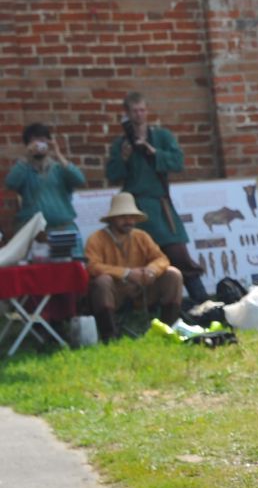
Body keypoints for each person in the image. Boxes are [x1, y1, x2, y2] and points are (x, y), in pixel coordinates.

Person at [107, 93, 207, 305]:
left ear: (147, 111)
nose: (139, 114)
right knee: (139, 257)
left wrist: (153, 152)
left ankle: (201, 300)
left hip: (160, 205)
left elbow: (177, 162)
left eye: (142, 110)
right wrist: (123, 158)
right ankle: (151, 306)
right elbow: (113, 174)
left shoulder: (161, 136)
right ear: (127, 113)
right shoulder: (122, 143)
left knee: (178, 253)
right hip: (134, 208)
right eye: (134, 111)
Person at [83, 191, 184, 340]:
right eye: (123, 217)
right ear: (112, 219)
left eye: (131, 217)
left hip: (142, 290)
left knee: (173, 274)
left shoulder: (141, 236)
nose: (128, 221)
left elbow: (161, 259)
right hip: (114, 293)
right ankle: (110, 335)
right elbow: (92, 266)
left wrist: (151, 271)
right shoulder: (96, 239)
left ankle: (168, 329)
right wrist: (126, 273)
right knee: (102, 281)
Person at [8, 124, 86, 260]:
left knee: (70, 273)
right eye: (35, 142)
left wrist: (58, 154)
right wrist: (26, 157)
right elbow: (11, 183)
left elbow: (79, 180)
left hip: (63, 229)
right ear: (28, 145)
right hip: (36, 235)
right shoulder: (23, 170)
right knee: (39, 275)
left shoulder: (59, 169)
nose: (39, 146)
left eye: (43, 141)